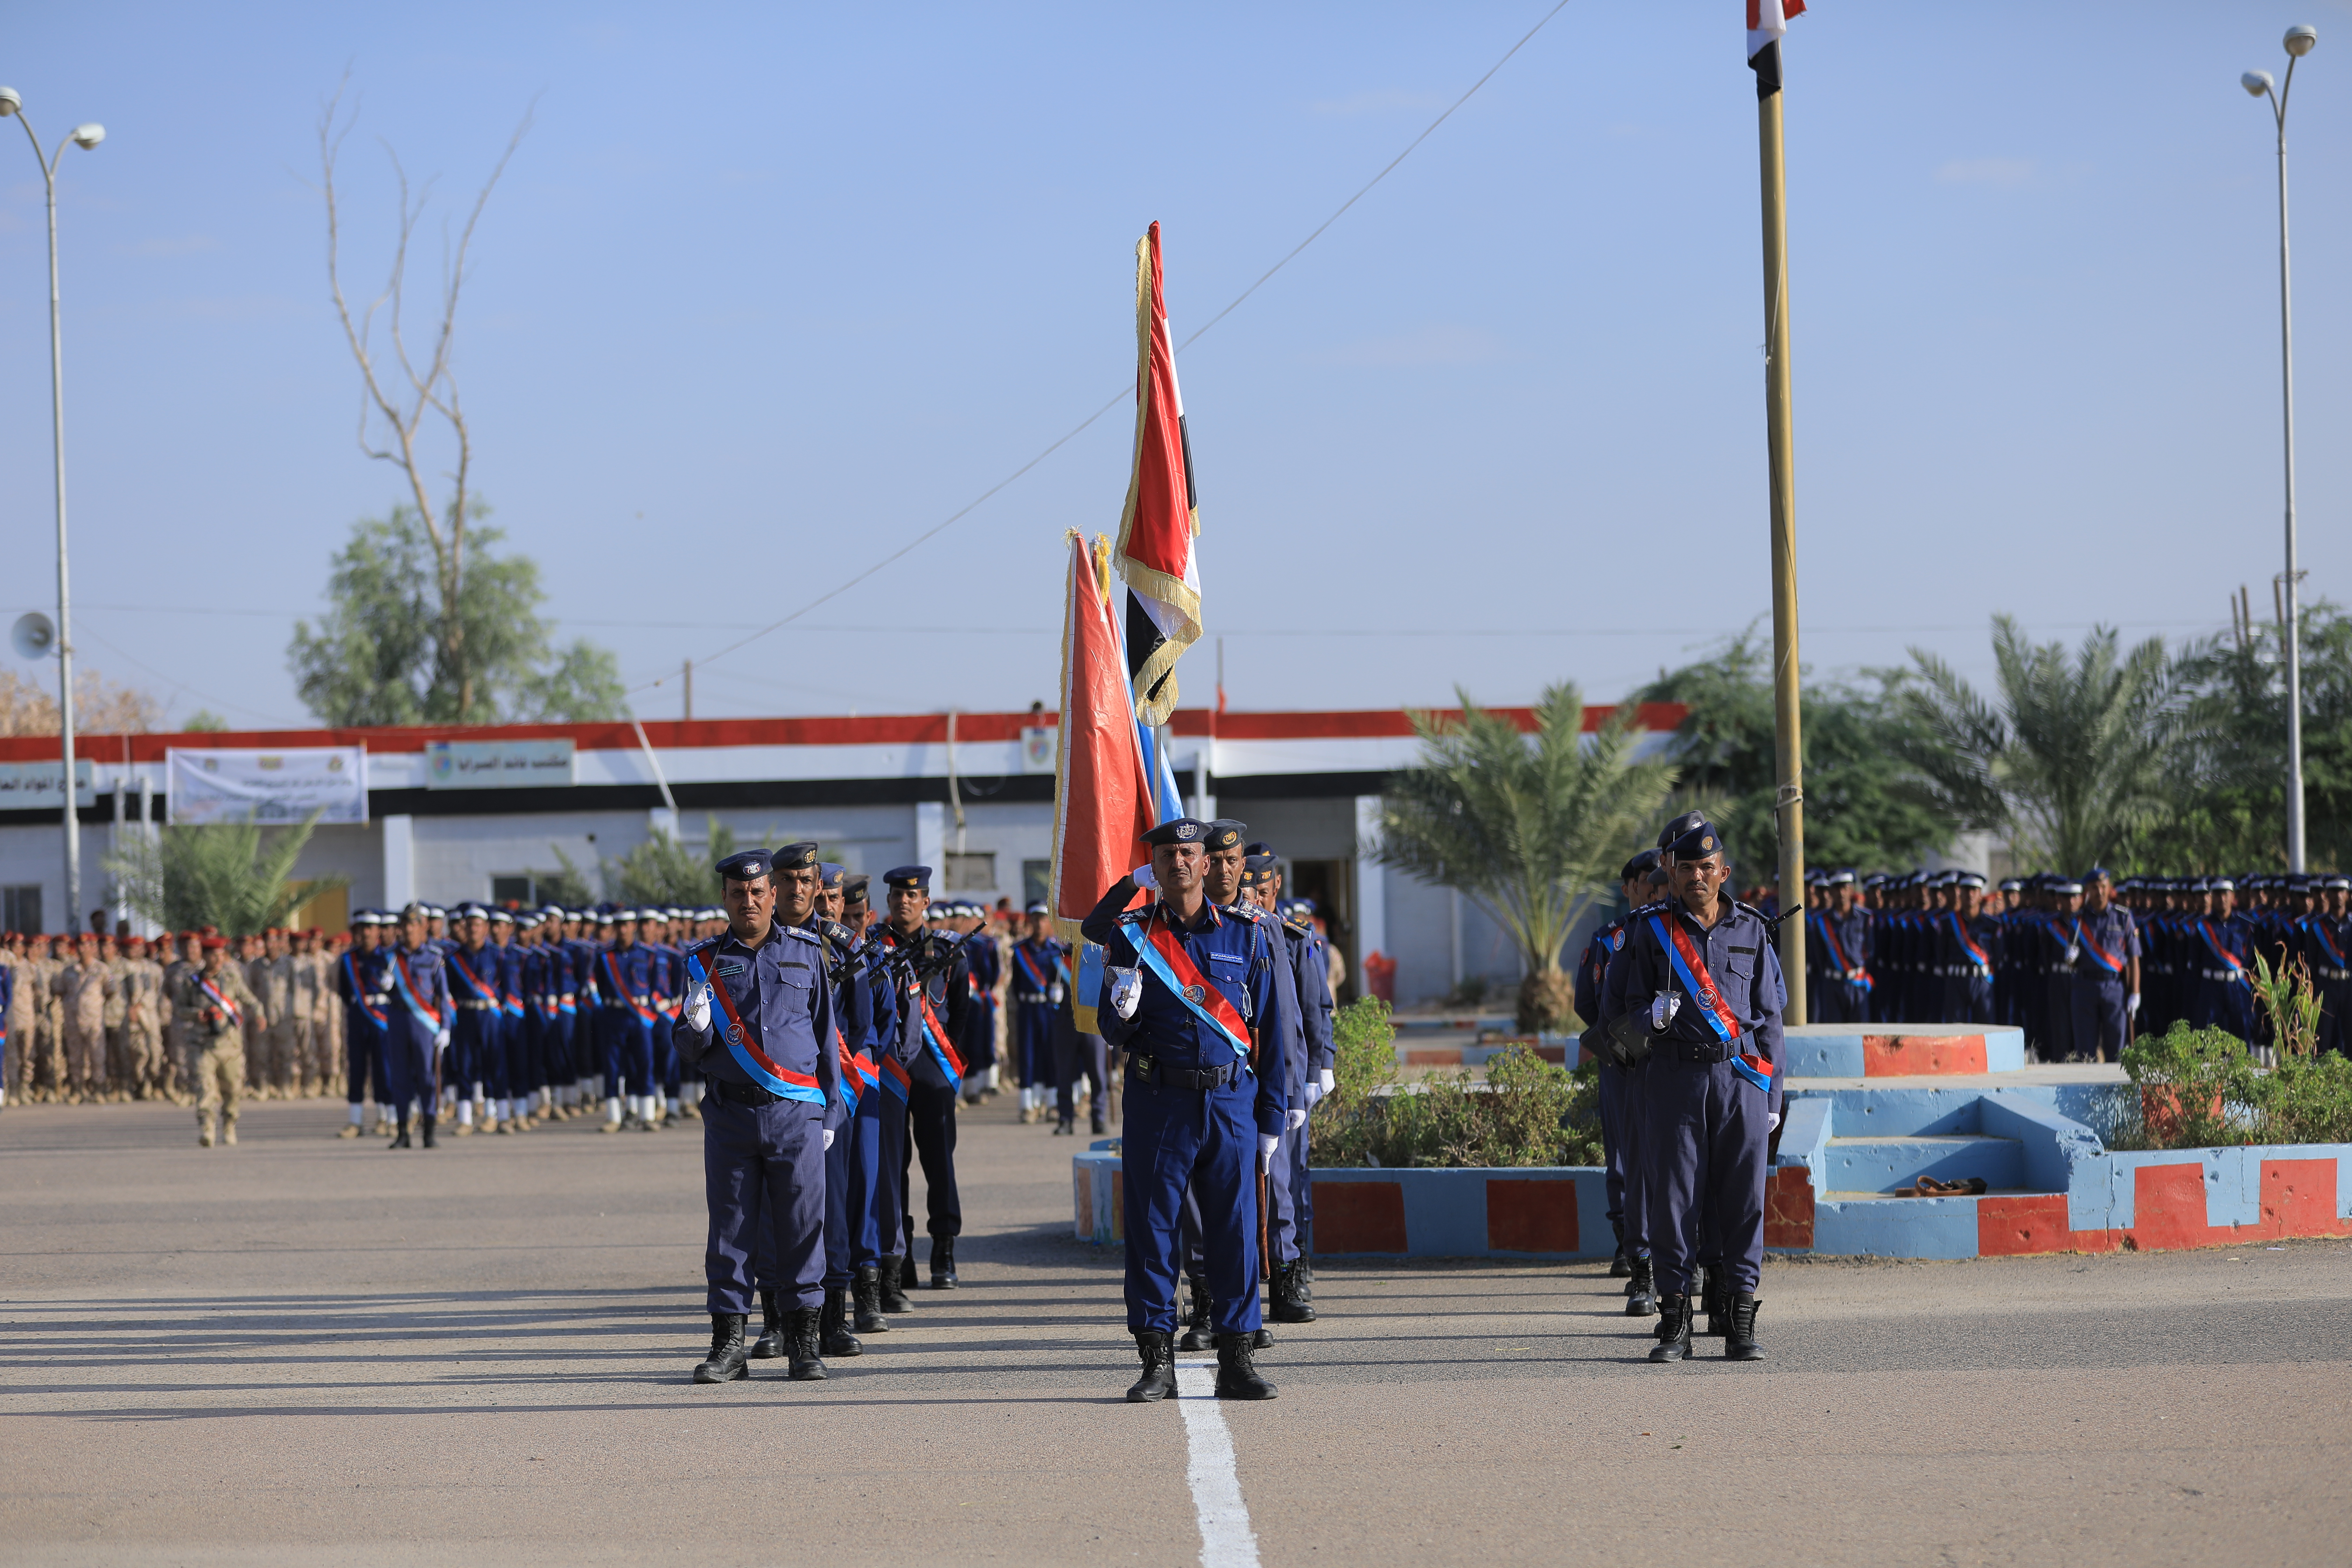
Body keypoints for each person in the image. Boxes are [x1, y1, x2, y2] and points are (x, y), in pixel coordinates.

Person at [1081, 817, 1287, 1403]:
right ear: (1157, 866)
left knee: (1236, 1231)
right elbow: (1111, 1028)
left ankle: (1238, 1359)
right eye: (1167, 854)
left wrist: (1272, 1117)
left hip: (1229, 1101)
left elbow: (1268, 1031)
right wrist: (1123, 1009)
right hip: (1158, 1099)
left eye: (1189, 853)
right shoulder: (1132, 935)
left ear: (1206, 862)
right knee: (1153, 1231)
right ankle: (1157, 1361)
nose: (1179, 862)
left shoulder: (1246, 935)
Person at [1597, 813, 1783, 1363]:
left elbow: (1771, 1019)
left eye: (1707, 867)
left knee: (1743, 1202)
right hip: (1673, 1080)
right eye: (1686, 868)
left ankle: (1740, 1320)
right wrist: (1650, 1019)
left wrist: (1772, 1097)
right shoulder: (1646, 932)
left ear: (1723, 872)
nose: (1697, 877)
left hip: (1739, 1081)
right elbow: (1614, 1017)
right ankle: (1674, 1320)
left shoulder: (1752, 929)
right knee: (1673, 1201)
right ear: (1670, 872)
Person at [674, 844, 839, 1385]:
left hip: (796, 1114)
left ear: (773, 895)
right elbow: (688, 1049)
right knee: (731, 1231)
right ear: (724, 897)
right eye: (738, 893)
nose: (749, 901)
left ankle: (804, 1345)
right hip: (730, 1116)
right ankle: (729, 1346)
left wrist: (830, 1113)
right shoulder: (701, 963)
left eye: (757, 892)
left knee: (801, 1229)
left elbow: (824, 1037)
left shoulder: (807, 951)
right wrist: (693, 1030)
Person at [872, 866, 971, 1290]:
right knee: (892, 1165)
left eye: (913, 896)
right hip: (889, 1065)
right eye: (897, 895)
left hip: (933, 1068)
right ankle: (903, 1252)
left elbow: (962, 1014)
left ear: (926, 902)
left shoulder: (949, 950)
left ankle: (944, 1249)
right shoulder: (872, 947)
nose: (904, 902)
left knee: (938, 1161)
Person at [1575, 850, 1662, 1314]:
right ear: (1629, 887)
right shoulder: (1610, 940)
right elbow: (1590, 1004)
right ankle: (1630, 1249)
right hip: (1624, 1060)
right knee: (1624, 1159)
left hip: (1671, 1064)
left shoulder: (1677, 933)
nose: (1654, 888)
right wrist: (1630, 1047)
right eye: (1647, 881)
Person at [177, 934, 264, 1148]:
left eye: (220, 955)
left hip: (229, 1045)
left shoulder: (232, 978)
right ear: (204, 956)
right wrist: (196, 1014)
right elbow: (180, 1009)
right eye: (213, 955)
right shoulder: (192, 981)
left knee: (233, 1089)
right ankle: (207, 1128)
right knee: (205, 1087)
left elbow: (249, 998)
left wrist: (260, 1013)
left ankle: (229, 1125)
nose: (218, 959)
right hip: (202, 1044)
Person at [382, 902, 453, 1149]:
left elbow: (443, 996)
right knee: (400, 1077)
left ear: (424, 928)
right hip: (399, 1020)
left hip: (424, 1024)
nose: (409, 930)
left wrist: (445, 1027)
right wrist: (385, 984)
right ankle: (403, 1132)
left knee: (427, 1077)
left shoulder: (434, 958)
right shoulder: (391, 957)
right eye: (405, 925)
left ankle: (429, 1131)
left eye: (414, 925)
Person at [2065, 868, 2141, 1062]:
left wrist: (2135, 992)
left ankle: (2115, 1091)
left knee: (2117, 1047)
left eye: (2103, 887)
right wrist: (2070, 959)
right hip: (2085, 986)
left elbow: (2134, 957)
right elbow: (2072, 963)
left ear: (2109, 889)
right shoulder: (2078, 920)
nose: (2100, 892)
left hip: (2114, 987)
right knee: (2085, 1050)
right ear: (2088, 891)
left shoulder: (2123, 917)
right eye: (2094, 888)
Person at [1009, 904, 1065, 1126]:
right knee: (1028, 1054)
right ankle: (1027, 1105)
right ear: (1029, 922)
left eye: (1043, 919)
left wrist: (1057, 992)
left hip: (1049, 1008)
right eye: (1035, 919)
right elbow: (1015, 984)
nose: (1039, 924)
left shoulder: (1057, 951)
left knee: (1050, 1053)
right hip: (1027, 1008)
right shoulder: (1021, 951)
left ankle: (1052, 1103)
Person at [1936, 873, 2003, 1026]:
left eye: (1975, 890)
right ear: (1960, 893)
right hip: (1956, 981)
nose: (1970, 894)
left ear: (1981, 895)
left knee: (1985, 1027)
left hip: (1982, 981)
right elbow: (1941, 953)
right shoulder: (1947, 923)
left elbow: (1998, 955)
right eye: (1966, 890)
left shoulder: (1993, 925)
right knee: (1955, 1029)